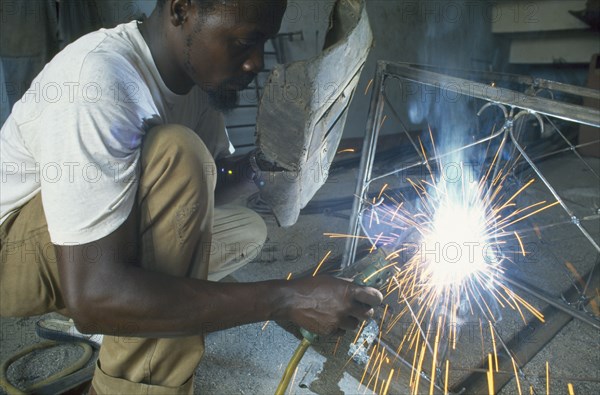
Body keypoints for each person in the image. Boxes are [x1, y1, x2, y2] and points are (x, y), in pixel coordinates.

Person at [0, 0, 383, 393]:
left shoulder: (195, 84)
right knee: (178, 154)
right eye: (242, 43)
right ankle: (131, 380)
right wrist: (284, 298)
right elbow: (92, 297)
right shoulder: (99, 82)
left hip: (82, 248)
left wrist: (262, 167)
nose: (254, 63)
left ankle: (141, 311)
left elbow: (208, 182)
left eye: (262, 44)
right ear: (182, 11)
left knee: (245, 229)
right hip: (14, 254)